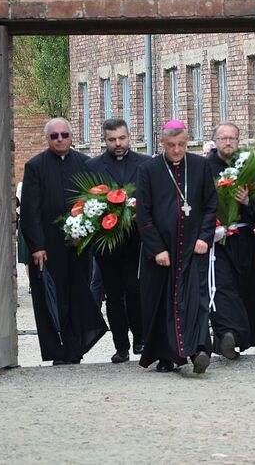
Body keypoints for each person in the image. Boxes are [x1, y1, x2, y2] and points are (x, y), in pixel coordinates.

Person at [20, 118, 107, 365]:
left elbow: (94, 202)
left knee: (79, 295)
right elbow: (30, 210)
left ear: (71, 137)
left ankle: (76, 347)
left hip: (79, 244)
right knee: (52, 297)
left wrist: (87, 232)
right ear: (47, 139)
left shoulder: (85, 163)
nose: (60, 139)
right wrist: (36, 246)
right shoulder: (35, 166)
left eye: (64, 135)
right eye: (54, 136)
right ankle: (57, 350)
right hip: (48, 246)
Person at [135, 120, 217, 374]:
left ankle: (199, 350)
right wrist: (156, 248)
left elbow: (210, 205)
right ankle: (166, 356)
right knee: (162, 302)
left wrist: (205, 236)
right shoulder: (148, 169)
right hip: (163, 250)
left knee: (196, 299)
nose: (177, 150)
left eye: (181, 144)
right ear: (162, 144)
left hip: (193, 247)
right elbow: (143, 213)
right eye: (172, 146)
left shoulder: (201, 165)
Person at [85, 118, 151, 364]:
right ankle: (121, 346)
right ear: (105, 140)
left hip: (136, 239)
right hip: (107, 242)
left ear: (129, 137)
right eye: (112, 140)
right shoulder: (92, 166)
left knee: (135, 289)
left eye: (122, 138)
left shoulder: (145, 164)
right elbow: (86, 203)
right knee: (113, 294)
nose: (118, 144)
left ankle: (141, 338)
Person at [206, 123, 255, 360]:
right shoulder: (204, 167)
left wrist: (246, 203)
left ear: (238, 140)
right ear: (215, 141)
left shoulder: (249, 167)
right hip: (216, 241)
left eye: (232, 138)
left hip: (243, 239)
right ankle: (226, 333)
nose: (228, 142)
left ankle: (235, 341)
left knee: (244, 288)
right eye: (223, 138)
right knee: (221, 287)